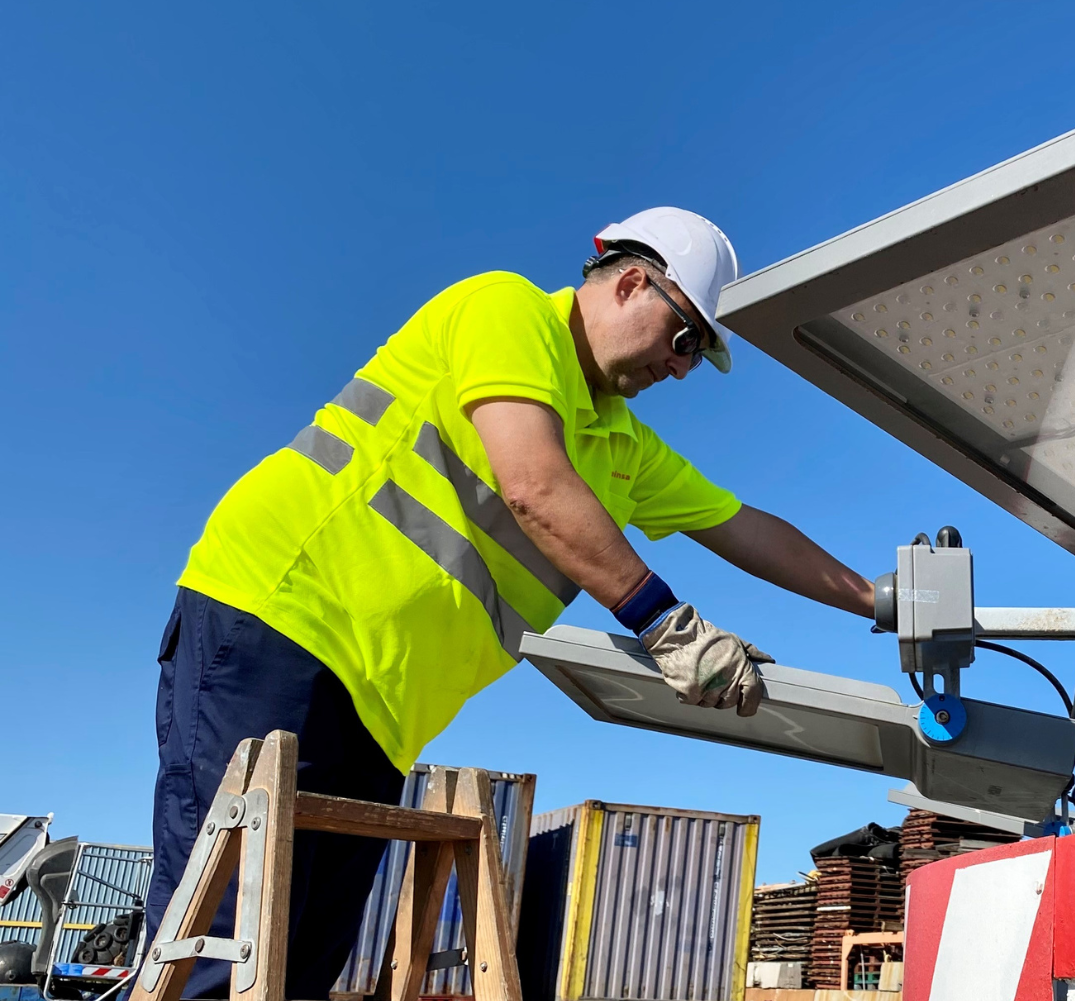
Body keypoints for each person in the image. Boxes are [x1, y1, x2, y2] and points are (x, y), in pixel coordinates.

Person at [150, 207, 873, 997]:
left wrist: (884, 604)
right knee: (225, 951)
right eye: (687, 340)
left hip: (385, 708)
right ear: (633, 282)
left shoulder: (624, 446)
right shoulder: (507, 309)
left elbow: (747, 529)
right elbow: (533, 485)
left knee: (298, 967)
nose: (683, 370)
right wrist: (670, 625)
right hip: (280, 624)